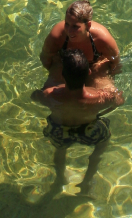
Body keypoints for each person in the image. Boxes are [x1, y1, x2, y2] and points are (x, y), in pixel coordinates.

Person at [31, 49, 123, 193]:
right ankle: (87, 181)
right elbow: (118, 101)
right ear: (89, 73)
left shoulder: (50, 95)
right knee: (100, 146)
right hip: (90, 129)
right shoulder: (99, 97)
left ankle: (60, 178)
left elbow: (34, 97)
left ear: (63, 75)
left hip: (60, 129)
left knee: (60, 151)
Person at [39, 0, 120, 85]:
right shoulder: (57, 36)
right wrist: (60, 75)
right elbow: (46, 58)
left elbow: (115, 62)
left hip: (95, 65)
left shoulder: (102, 39)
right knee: (51, 91)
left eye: (75, 26)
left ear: (88, 25)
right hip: (65, 65)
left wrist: (106, 78)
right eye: (67, 24)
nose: (69, 31)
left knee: (108, 95)